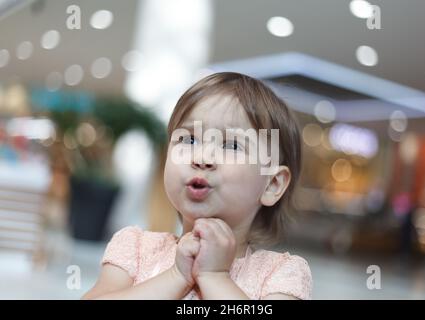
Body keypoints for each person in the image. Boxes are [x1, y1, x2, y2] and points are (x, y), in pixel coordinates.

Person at [82, 72, 312, 300]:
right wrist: (177, 276)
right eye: (189, 139)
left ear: (271, 184)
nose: (202, 157)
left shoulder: (279, 275)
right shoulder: (136, 248)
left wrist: (215, 277)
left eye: (231, 145)